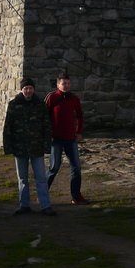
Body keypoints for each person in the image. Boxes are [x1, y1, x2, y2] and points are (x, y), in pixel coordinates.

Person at [2, 77, 56, 216]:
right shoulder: (13, 104)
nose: (28, 91)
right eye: (26, 88)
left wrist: (47, 145)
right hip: (19, 148)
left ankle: (45, 205)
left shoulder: (40, 104)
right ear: (21, 89)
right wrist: (8, 146)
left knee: (41, 178)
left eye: (30, 88)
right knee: (22, 179)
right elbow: (8, 126)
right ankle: (24, 205)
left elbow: (46, 125)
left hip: (37, 147)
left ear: (34, 89)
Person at [45, 71, 89, 205]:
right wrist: (47, 134)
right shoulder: (52, 97)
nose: (66, 86)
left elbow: (80, 115)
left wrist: (79, 131)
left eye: (68, 83)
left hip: (70, 138)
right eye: (64, 83)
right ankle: (42, 194)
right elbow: (44, 116)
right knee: (54, 167)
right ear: (58, 85)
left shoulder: (74, 98)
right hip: (56, 139)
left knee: (76, 167)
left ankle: (76, 196)